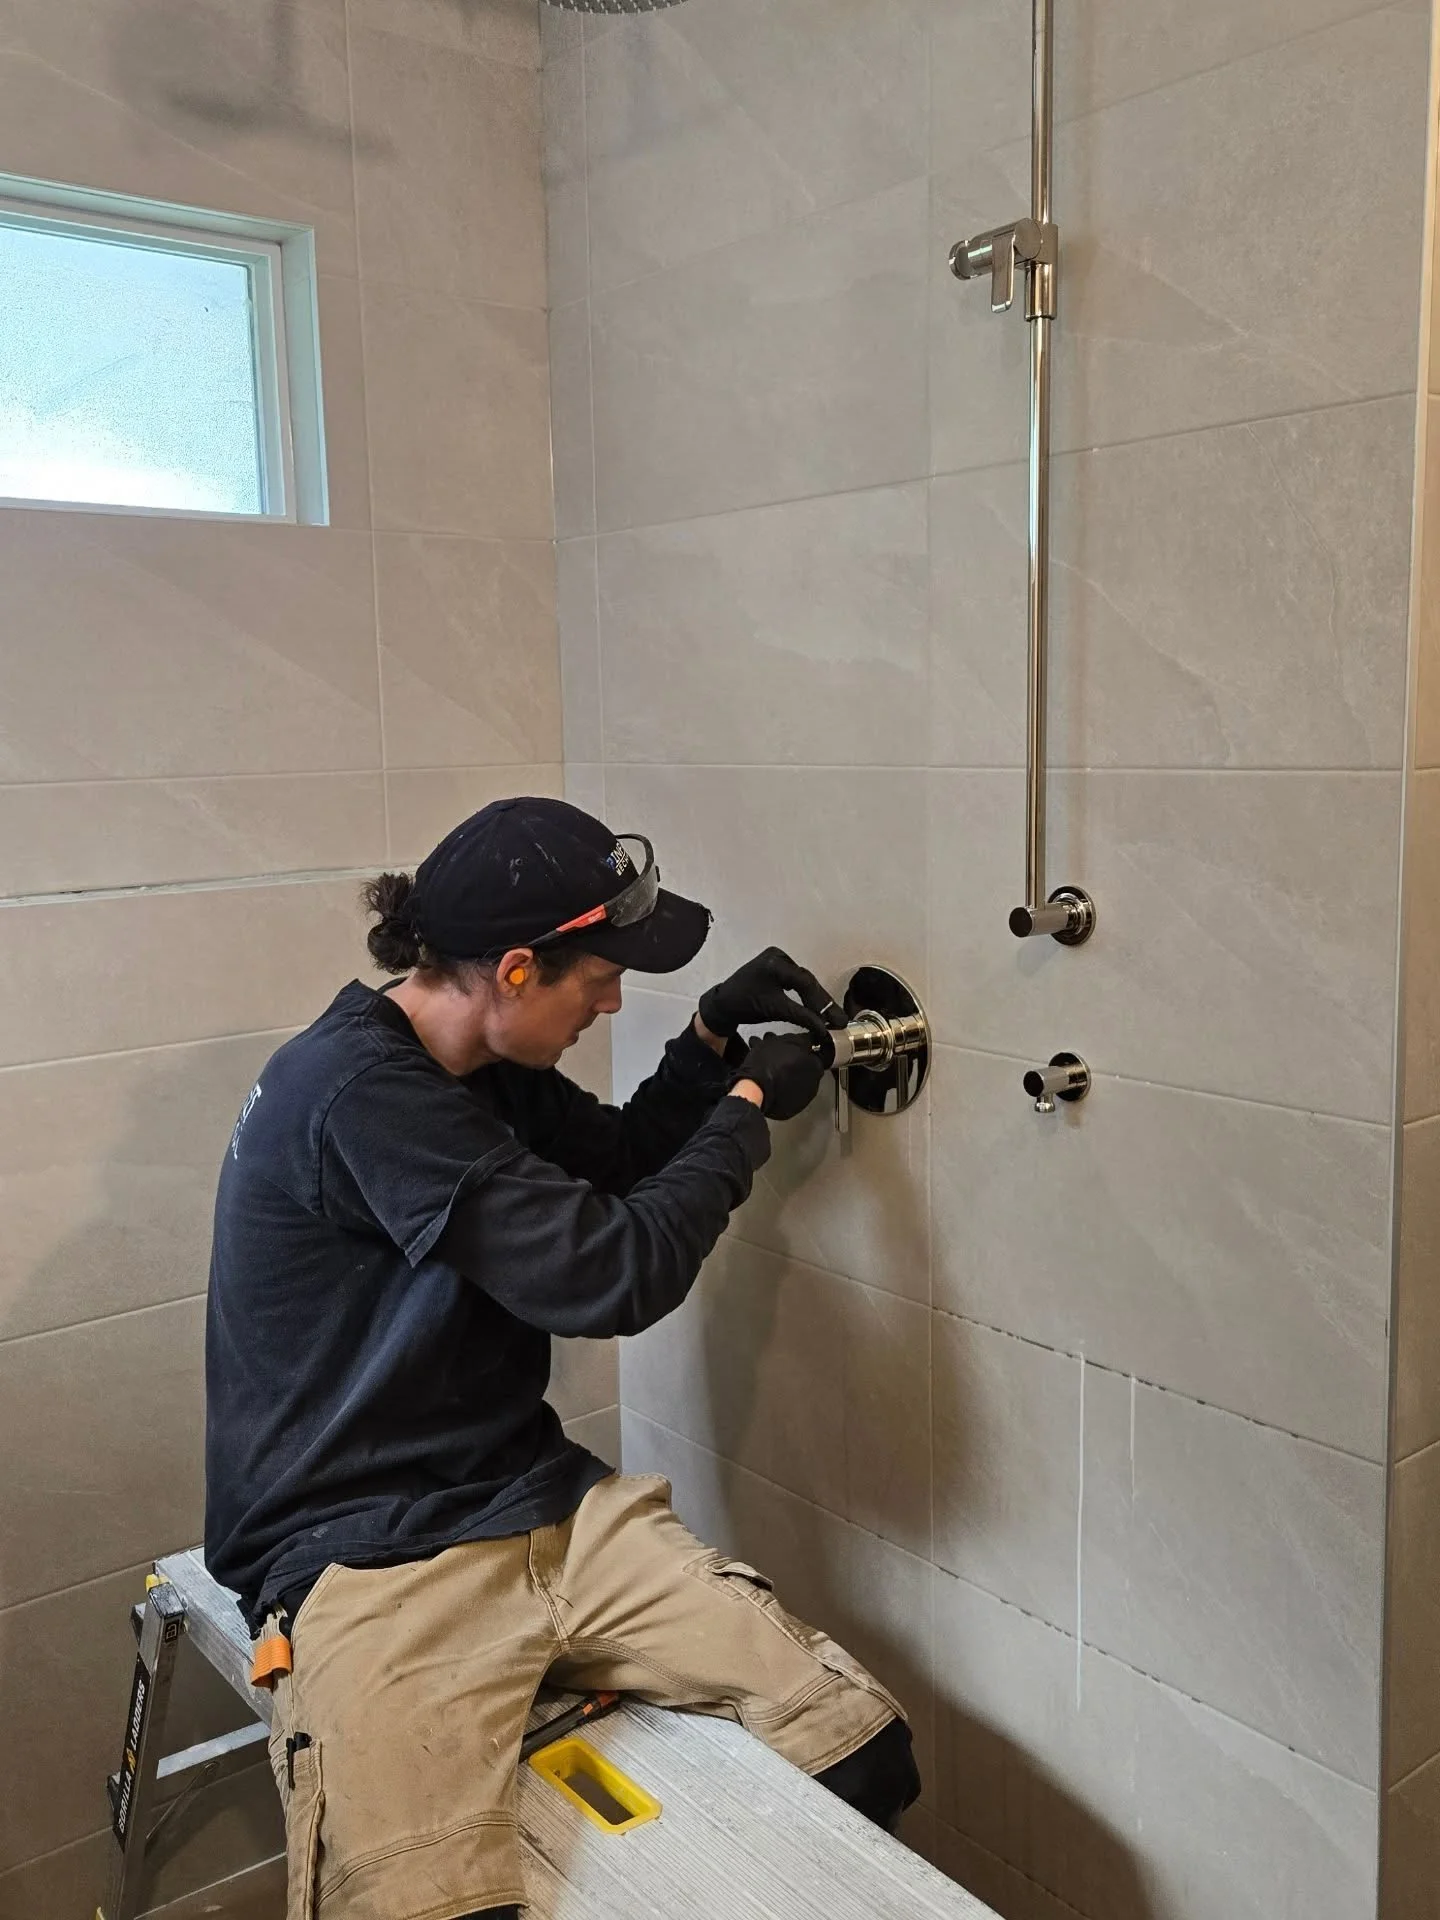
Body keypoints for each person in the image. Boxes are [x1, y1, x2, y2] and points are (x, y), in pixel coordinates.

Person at [204, 796, 921, 1920]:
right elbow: (609, 1275)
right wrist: (742, 1115)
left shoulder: (471, 1067)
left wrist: (707, 1050)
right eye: (602, 975)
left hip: (539, 1505)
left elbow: (624, 1163)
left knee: (863, 1755)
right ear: (520, 969)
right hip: (365, 1551)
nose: (616, 998)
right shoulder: (361, 1098)